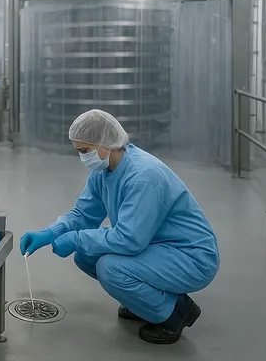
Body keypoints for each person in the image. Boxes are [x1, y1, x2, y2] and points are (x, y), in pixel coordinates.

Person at [20, 109, 219, 345]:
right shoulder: (103, 171)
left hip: (190, 256)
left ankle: (176, 312)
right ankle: (145, 302)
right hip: (155, 246)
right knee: (86, 256)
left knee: (110, 268)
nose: (82, 157)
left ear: (104, 145)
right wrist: (49, 233)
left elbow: (129, 239)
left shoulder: (143, 176)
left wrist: (76, 239)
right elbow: (83, 214)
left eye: (84, 151)